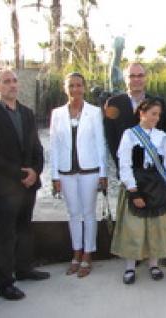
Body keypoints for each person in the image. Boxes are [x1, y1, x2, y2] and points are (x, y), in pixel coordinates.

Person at [0, 69, 50, 300]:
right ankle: (4, 283)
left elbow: (37, 149)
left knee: (24, 229)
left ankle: (23, 269)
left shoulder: (27, 113)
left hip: (28, 185)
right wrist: (21, 174)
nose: (12, 85)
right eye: (6, 81)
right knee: (4, 236)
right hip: (4, 187)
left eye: (14, 81)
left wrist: (36, 171)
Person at [110, 99, 166, 284]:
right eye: (153, 113)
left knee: (156, 228)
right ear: (142, 113)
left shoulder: (161, 136)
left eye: (158, 115)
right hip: (137, 186)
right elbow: (124, 165)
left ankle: (154, 264)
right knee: (134, 229)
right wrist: (133, 191)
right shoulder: (129, 135)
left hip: (157, 186)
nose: (156, 117)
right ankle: (130, 267)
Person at [49, 72, 107, 278]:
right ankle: (76, 253)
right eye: (71, 85)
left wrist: (103, 172)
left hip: (89, 170)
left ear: (84, 87)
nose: (75, 89)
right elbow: (54, 146)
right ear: (66, 88)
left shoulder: (94, 112)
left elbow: (101, 143)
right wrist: (54, 176)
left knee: (89, 213)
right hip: (66, 171)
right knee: (73, 213)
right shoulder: (57, 114)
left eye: (79, 85)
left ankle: (88, 254)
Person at [103, 62, 166, 170]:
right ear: (125, 79)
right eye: (132, 76)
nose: (136, 79)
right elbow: (111, 138)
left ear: (146, 78)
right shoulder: (113, 103)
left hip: (154, 169)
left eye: (140, 76)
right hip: (127, 167)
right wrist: (121, 166)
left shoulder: (158, 103)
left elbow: (165, 134)